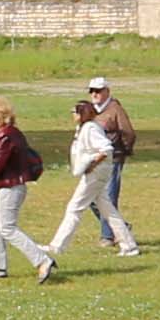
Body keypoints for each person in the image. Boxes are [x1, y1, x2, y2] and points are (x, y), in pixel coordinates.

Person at [0, 99, 53, 280]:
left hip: (10, 186)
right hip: (10, 185)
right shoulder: (14, 133)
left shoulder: (4, 136)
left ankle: (42, 260)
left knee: (7, 229)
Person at [44, 97, 118, 267]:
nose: (72, 114)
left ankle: (57, 245)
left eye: (74, 112)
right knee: (108, 209)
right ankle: (128, 245)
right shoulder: (83, 128)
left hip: (95, 175)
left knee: (74, 208)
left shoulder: (90, 128)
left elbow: (106, 149)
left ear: (81, 114)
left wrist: (92, 164)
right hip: (94, 174)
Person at [79, 76, 144, 256]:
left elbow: (128, 133)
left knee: (109, 196)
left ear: (107, 91)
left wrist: (123, 151)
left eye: (98, 91)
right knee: (91, 198)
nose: (94, 94)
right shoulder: (90, 110)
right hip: (94, 160)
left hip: (112, 158)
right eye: (91, 91)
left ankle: (107, 236)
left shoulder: (115, 109)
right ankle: (120, 227)